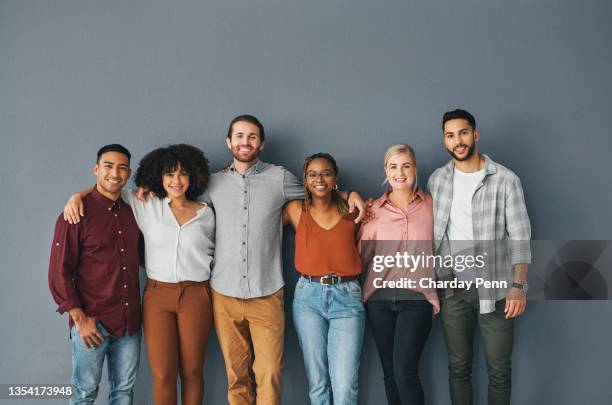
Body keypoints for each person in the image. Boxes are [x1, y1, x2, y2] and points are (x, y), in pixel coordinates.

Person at [199, 115, 367, 405]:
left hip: (267, 291)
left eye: (252, 136)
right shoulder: (213, 183)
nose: (245, 142)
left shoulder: (280, 178)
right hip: (224, 292)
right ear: (229, 141)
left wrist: (351, 193)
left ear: (261, 143)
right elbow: (179, 201)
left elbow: (319, 191)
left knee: (270, 372)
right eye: (239, 136)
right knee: (236, 376)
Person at [63, 144, 215, 405]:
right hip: (157, 297)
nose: (176, 180)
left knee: (192, 372)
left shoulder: (207, 213)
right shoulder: (145, 204)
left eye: (182, 173)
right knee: (163, 374)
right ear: (160, 177)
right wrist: (77, 195)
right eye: (169, 174)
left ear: (193, 176)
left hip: (196, 295)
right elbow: (106, 191)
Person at [427, 109, 531, 405]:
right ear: (445, 141)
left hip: (496, 291)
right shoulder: (438, 180)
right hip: (453, 291)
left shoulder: (505, 179)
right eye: (450, 135)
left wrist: (519, 286)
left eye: (462, 133)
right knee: (458, 368)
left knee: (499, 370)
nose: (457, 141)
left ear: (475, 134)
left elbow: (520, 237)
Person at [49, 144, 142, 405]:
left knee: (124, 392)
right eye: (108, 166)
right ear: (96, 169)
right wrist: (80, 319)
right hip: (92, 322)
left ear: (129, 172)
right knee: (84, 393)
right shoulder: (75, 213)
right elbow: (59, 271)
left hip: (129, 322)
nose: (115, 173)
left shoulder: (133, 212)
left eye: (122, 167)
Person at [358, 144, 440, 405]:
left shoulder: (432, 206)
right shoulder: (374, 210)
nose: (400, 172)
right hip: (379, 299)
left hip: (417, 298)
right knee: (390, 374)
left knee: (405, 372)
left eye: (406, 165)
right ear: (386, 170)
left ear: (415, 169)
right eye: (394, 166)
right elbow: (361, 256)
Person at [283, 153, 365, 405]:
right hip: (308, 297)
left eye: (326, 173)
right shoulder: (295, 210)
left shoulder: (352, 211)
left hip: (347, 297)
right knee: (317, 383)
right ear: (305, 181)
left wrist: (350, 194)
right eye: (313, 174)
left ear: (335, 179)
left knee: (345, 385)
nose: (320, 179)